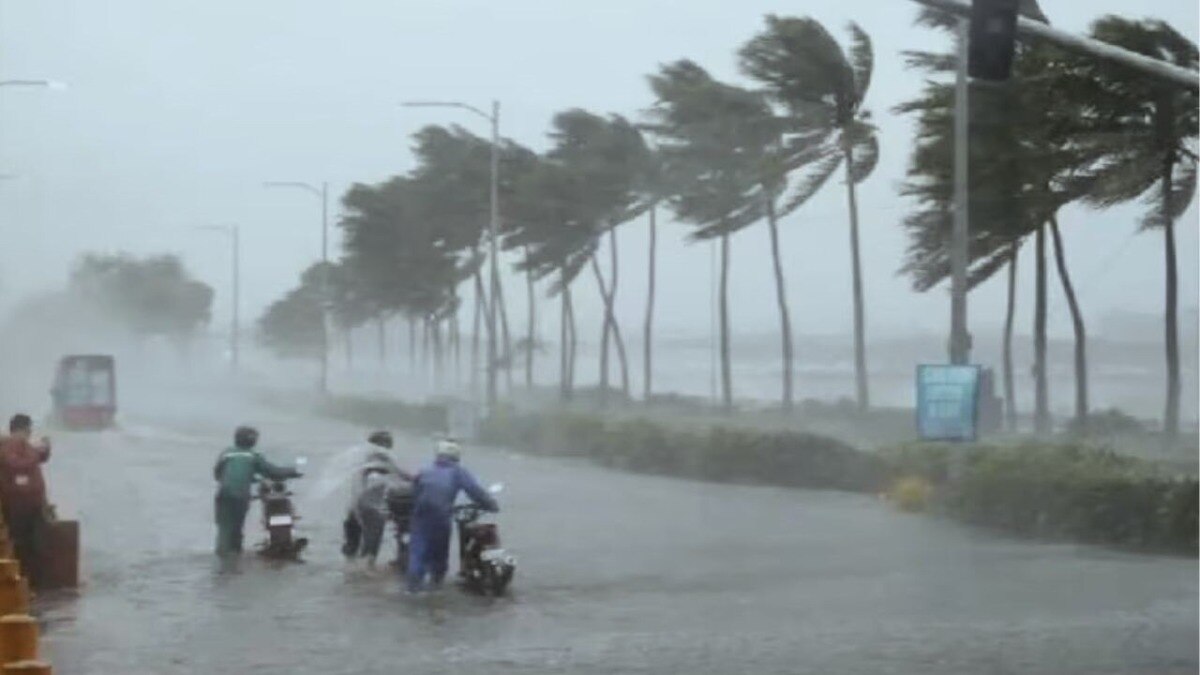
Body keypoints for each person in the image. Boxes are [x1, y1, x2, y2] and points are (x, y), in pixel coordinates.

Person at [406, 438, 497, 594]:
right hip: (441, 516)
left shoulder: (425, 470)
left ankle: (413, 589)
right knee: (439, 553)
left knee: (418, 551)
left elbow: (415, 492)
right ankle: (436, 587)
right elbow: (475, 492)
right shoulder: (457, 472)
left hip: (421, 515)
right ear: (456, 455)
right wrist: (491, 505)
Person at [213, 426, 301, 558]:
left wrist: (249, 478)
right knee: (237, 527)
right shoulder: (253, 455)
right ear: (253, 441)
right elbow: (272, 472)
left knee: (224, 528)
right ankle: (234, 556)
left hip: (223, 494)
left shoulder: (226, 453)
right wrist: (291, 472)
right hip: (241, 496)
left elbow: (218, 474)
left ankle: (223, 556)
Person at [341, 431, 414, 568]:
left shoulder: (360, 459)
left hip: (355, 507)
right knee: (371, 545)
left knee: (352, 546)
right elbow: (405, 475)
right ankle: (365, 571)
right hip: (373, 508)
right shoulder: (385, 459)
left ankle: (350, 569)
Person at [0, 414, 51, 583]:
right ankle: (22, 582)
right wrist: (36, 454)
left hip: (33, 505)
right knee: (21, 545)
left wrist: (45, 448)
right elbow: (16, 465)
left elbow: (39, 456)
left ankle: (31, 581)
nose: (29, 433)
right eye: (27, 429)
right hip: (17, 506)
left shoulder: (25, 446)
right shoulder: (8, 447)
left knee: (36, 546)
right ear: (19, 430)